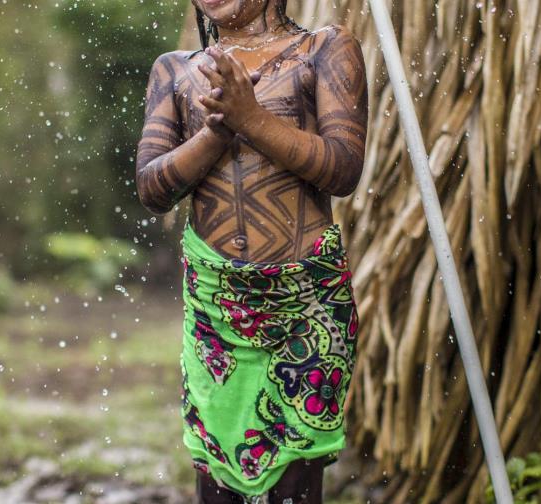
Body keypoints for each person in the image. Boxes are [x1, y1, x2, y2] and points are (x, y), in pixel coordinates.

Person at [135, 0, 367, 502]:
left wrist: (252, 117)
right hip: (216, 310)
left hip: (304, 309)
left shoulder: (324, 50)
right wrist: (218, 132)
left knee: (295, 485)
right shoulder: (175, 70)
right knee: (217, 480)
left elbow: (344, 169)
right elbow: (152, 189)